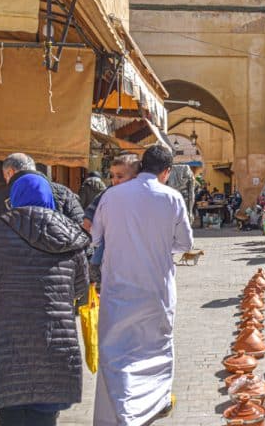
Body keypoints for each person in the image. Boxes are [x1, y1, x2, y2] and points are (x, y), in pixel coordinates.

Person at [91, 145, 193, 425]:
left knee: (115, 351)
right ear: (167, 172)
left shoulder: (111, 196)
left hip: (117, 289)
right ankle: (149, 406)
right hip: (156, 289)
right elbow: (185, 243)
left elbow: (95, 237)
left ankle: (119, 413)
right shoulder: (172, 198)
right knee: (155, 347)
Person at [0, 171, 89, 426]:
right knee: (45, 414)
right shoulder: (70, 236)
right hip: (53, 340)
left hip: (6, 343)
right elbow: (80, 289)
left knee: (10, 411)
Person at [82, 155, 141, 283]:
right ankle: (95, 266)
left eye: (120, 177)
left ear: (135, 177)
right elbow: (92, 208)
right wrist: (88, 219)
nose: (115, 180)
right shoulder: (108, 192)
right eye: (112, 176)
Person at [0, 153, 84, 224]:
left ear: (10, 172)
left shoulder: (0, 199)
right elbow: (80, 224)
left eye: (5, 177)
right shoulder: (64, 192)